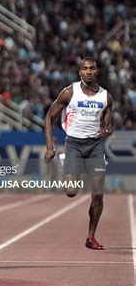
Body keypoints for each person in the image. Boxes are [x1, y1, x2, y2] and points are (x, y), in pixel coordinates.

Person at [44, 57, 113, 250]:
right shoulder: (69, 92)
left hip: (95, 148)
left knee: (98, 196)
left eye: (92, 68)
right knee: (71, 191)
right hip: (74, 145)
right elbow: (49, 117)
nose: (89, 71)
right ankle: (78, 169)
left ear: (97, 71)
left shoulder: (105, 97)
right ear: (80, 72)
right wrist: (50, 147)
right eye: (85, 68)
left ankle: (91, 237)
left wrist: (107, 131)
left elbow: (109, 125)